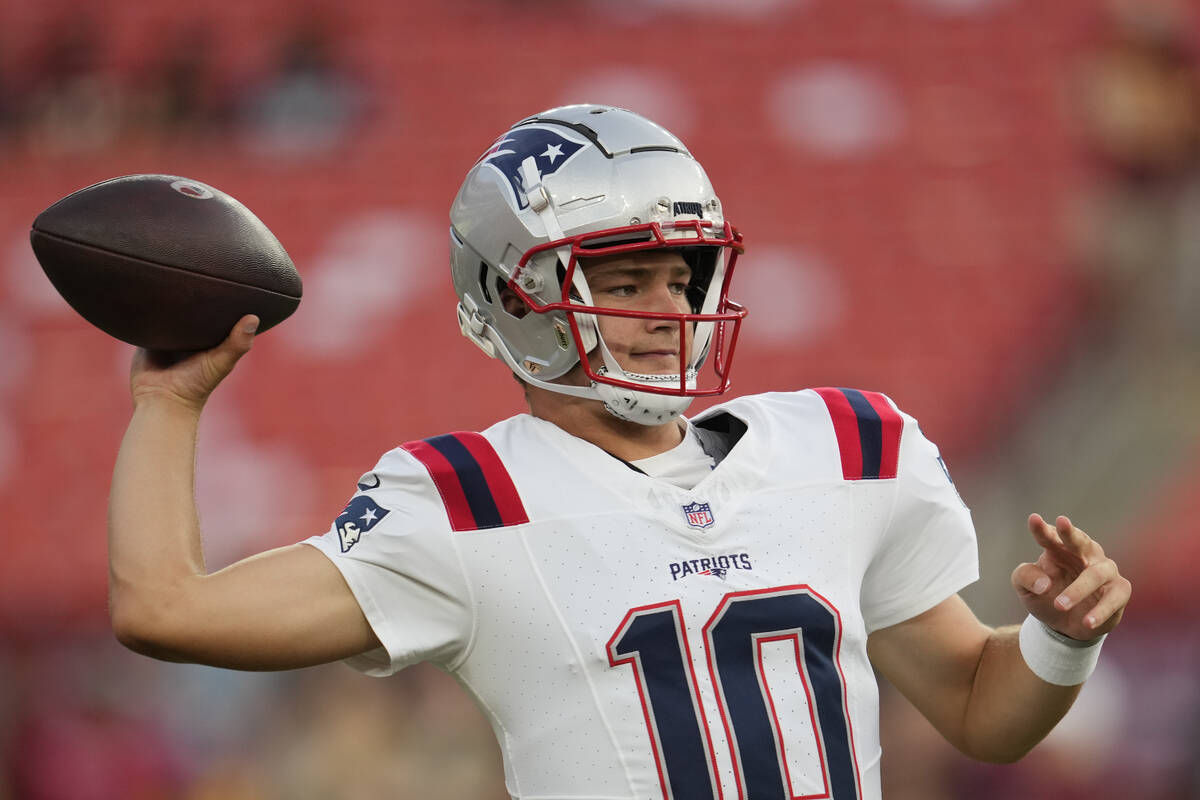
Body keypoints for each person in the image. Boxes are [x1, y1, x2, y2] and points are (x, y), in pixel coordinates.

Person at [108, 104, 1131, 799]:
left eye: (681, 278)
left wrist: (1060, 638)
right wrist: (169, 402)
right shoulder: (468, 502)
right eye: (624, 281)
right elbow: (165, 606)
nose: (668, 309)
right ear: (515, 294)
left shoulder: (843, 446)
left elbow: (977, 709)